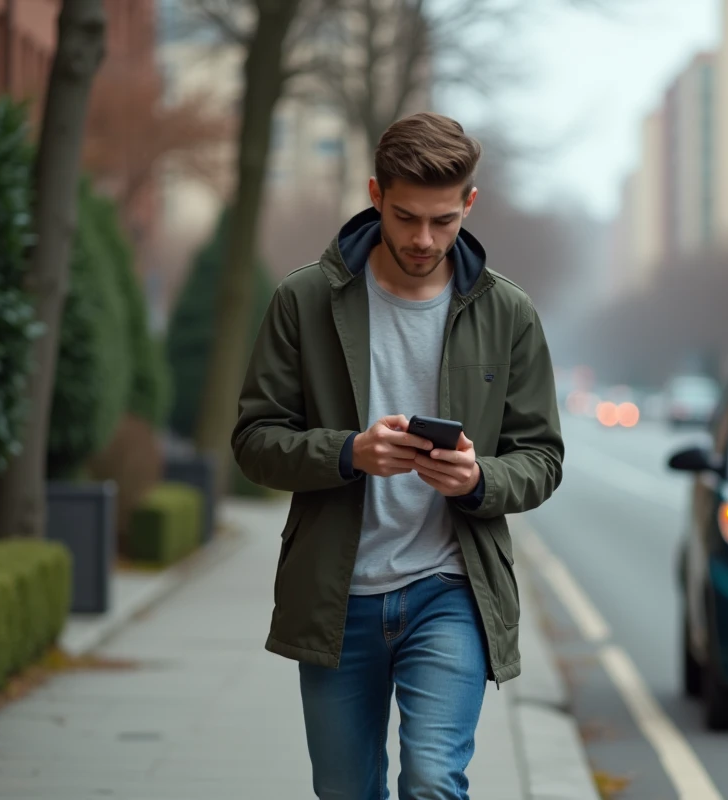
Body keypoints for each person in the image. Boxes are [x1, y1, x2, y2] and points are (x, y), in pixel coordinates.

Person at [231, 111, 565, 799]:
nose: (423, 239)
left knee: (433, 781)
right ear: (375, 193)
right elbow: (254, 443)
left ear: (469, 203)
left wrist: (479, 477)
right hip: (336, 597)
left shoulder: (508, 313)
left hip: (452, 588)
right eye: (407, 216)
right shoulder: (304, 300)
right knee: (345, 791)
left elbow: (541, 456)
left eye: (443, 220)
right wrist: (348, 453)